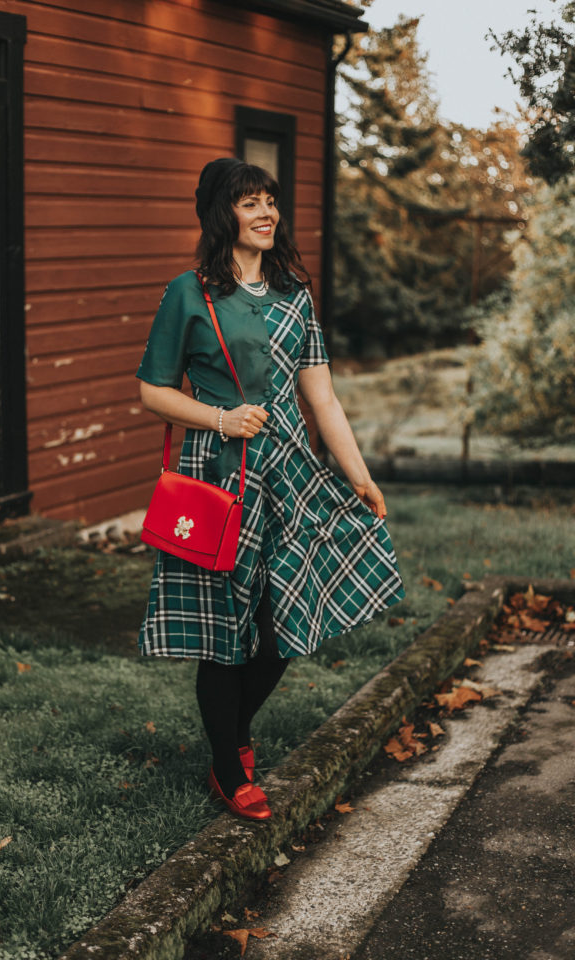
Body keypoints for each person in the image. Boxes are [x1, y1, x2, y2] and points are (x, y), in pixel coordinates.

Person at [136, 158, 405, 821]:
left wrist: (360, 476)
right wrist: (220, 417)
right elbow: (152, 390)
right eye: (249, 202)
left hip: (290, 472)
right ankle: (230, 767)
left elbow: (325, 400)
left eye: (270, 202)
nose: (266, 213)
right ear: (219, 214)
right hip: (219, 474)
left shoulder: (293, 295)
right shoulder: (190, 294)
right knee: (224, 627)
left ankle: (229, 732)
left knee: (285, 622)